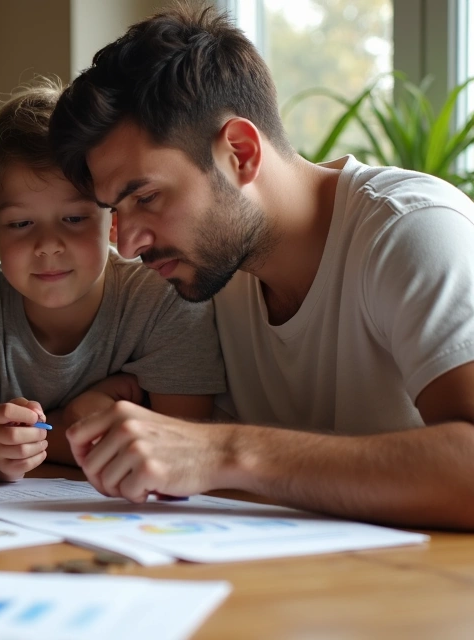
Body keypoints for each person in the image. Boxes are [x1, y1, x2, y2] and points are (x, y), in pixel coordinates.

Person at [48, 6, 474, 529]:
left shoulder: (411, 230)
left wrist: (225, 451)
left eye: (147, 197)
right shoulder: (204, 271)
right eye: (116, 210)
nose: (130, 244)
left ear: (241, 153)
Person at [0, 79, 225, 482]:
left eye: (74, 218)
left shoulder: (163, 297)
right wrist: (69, 423)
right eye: (20, 223)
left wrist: (43, 436)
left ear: (114, 220)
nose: (48, 246)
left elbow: (182, 447)